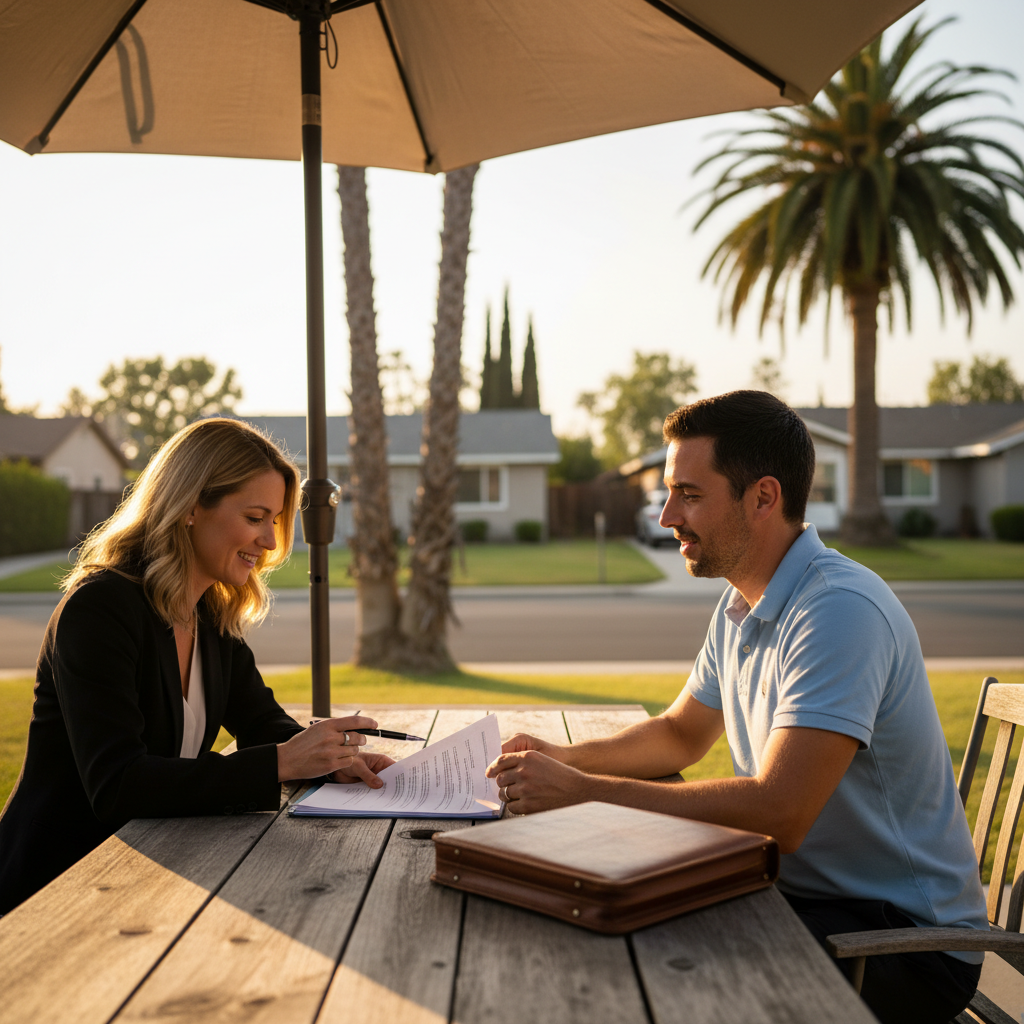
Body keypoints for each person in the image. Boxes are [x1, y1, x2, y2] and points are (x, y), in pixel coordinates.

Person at [485, 391, 988, 1024]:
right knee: (595, 919)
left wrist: (584, 792)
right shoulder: (744, 602)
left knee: (636, 972)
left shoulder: (837, 610)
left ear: (763, 498)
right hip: (800, 900)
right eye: (671, 493)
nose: (668, 515)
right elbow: (678, 734)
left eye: (690, 494)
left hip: (904, 945)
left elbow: (779, 812)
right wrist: (560, 757)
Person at [0, 417, 393, 915]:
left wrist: (330, 763)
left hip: (144, 878)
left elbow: (261, 723)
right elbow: (118, 785)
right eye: (255, 518)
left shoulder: (209, 613)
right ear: (190, 507)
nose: (270, 542)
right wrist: (282, 763)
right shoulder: (98, 609)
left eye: (274, 520)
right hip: (53, 891)